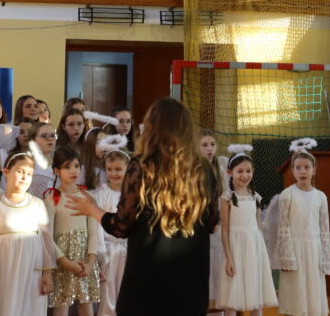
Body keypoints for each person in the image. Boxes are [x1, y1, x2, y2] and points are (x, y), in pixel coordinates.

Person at [66, 97, 219, 316]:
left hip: (148, 278)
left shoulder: (141, 166)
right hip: (190, 279)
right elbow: (212, 223)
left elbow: (121, 226)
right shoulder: (203, 168)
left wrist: (93, 209)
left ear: (152, 128)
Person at [0, 151, 56, 316]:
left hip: (32, 268)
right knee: (6, 307)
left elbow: (46, 241)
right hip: (5, 266)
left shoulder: (37, 204)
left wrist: (47, 274)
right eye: (20, 172)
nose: (24, 177)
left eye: (29, 174)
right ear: (6, 172)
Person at [265, 149, 330, 316]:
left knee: (313, 295)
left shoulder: (321, 197)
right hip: (294, 251)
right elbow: (283, 228)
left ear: (314, 170)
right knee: (295, 296)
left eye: (307, 167)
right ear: (292, 171)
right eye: (298, 167)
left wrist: (325, 258)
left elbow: (325, 229)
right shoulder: (287, 195)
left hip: (314, 252)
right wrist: (286, 257)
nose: (303, 171)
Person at [216, 146, 277, 316]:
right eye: (240, 171)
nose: (245, 175)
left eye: (248, 171)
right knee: (232, 297)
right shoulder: (226, 197)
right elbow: (225, 231)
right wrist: (229, 259)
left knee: (256, 295)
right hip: (235, 250)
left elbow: (258, 228)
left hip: (254, 250)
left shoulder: (255, 197)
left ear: (253, 171)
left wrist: (263, 255)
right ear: (230, 172)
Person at [44, 147, 101, 316]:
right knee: (62, 305)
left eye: (76, 166)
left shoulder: (87, 197)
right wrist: (65, 262)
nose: (73, 171)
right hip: (63, 260)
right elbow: (48, 237)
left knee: (86, 304)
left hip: (85, 259)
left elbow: (93, 232)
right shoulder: (51, 199)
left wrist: (90, 263)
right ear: (56, 171)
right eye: (67, 167)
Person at [91, 146, 130, 316]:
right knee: (108, 294)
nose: (113, 173)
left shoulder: (133, 195)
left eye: (118, 169)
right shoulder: (100, 194)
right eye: (109, 169)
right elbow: (98, 225)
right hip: (109, 252)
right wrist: (101, 255)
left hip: (129, 251)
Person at [199, 128, 227, 304]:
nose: (209, 148)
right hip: (200, 225)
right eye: (204, 145)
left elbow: (224, 197)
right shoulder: (194, 170)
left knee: (218, 267)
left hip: (217, 225)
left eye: (212, 144)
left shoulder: (220, 170)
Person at [29, 122, 57, 199]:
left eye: (52, 135)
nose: (50, 139)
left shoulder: (59, 164)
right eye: (44, 136)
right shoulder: (26, 163)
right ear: (33, 140)